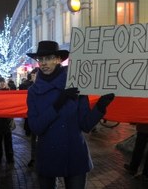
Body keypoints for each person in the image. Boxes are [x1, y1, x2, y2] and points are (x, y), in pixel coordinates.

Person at [26, 41, 115, 189]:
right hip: (48, 155)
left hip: (74, 154)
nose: (43, 63)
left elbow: (85, 125)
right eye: (40, 59)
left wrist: (100, 106)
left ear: (59, 59)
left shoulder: (76, 84)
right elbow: (36, 127)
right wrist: (58, 103)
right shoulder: (33, 92)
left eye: (48, 58)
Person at [19, 67, 39, 167]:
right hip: (33, 117)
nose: (35, 76)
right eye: (34, 74)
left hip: (45, 118)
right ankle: (34, 158)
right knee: (34, 139)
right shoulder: (27, 86)